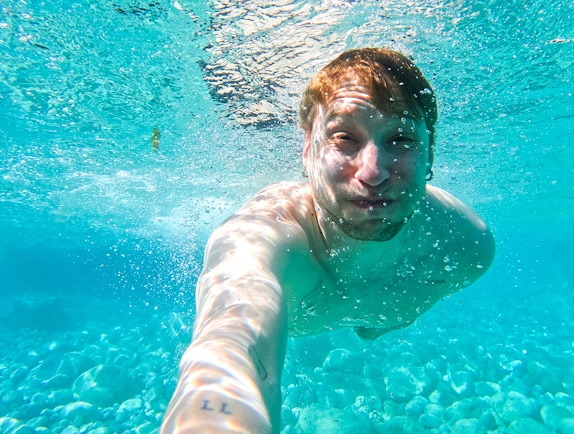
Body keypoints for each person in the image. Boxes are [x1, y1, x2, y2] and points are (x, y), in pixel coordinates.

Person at [161, 48, 495, 433]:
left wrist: (390, 318)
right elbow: (234, 343)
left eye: (401, 139)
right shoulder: (267, 235)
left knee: (381, 323)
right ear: (308, 152)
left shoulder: (465, 247)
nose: (373, 173)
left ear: (430, 156)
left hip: (383, 312)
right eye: (344, 137)